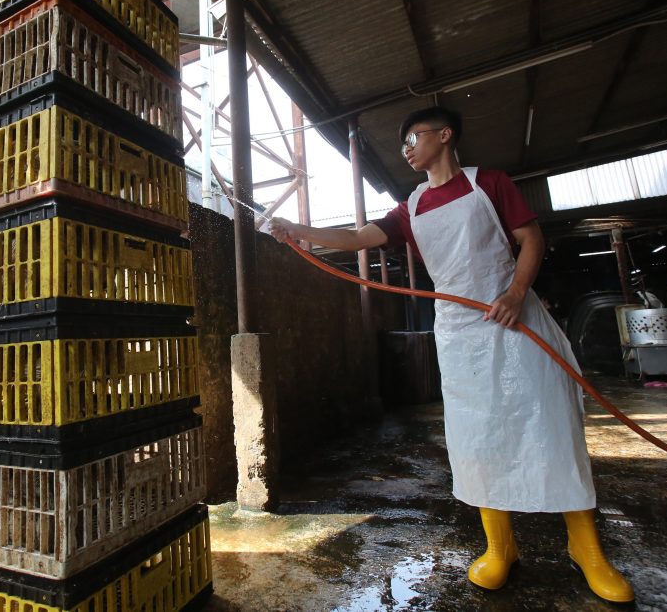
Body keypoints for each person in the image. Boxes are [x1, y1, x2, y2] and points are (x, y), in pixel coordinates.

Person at [269, 106, 634, 603]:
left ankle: (586, 549)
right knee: (479, 436)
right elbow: (357, 238)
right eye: (403, 144)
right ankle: (500, 549)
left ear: (444, 136)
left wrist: (514, 292)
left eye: (413, 138)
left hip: (515, 320)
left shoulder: (489, 183)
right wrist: (301, 231)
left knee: (551, 426)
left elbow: (531, 239)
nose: (406, 149)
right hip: (462, 332)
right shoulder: (411, 207)